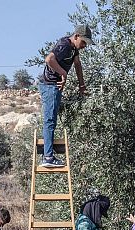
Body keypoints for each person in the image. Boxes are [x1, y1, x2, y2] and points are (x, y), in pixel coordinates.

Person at [38, 24, 93, 168]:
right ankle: (48, 157)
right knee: (49, 120)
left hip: (55, 87)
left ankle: (48, 155)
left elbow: (78, 65)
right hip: (50, 86)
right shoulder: (65, 45)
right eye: (83, 42)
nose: (84, 46)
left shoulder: (74, 49)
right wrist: (63, 73)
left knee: (53, 120)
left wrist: (82, 85)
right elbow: (49, 59)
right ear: (76, 36)